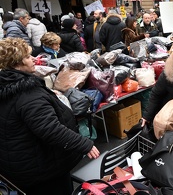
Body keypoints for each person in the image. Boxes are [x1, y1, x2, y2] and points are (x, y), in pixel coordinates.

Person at [0, 38, 100, 195]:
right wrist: (84, 144)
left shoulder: (8, 86)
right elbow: (50, 128)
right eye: (27, 57)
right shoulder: (27, 94)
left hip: (20, 163)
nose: (34, 59)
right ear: (15, 63)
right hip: (42, 169)